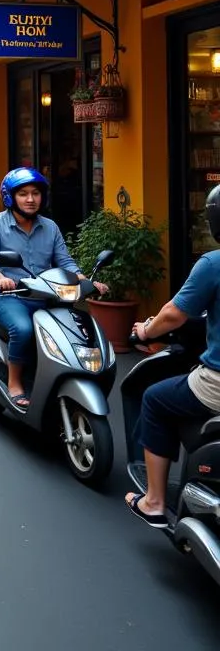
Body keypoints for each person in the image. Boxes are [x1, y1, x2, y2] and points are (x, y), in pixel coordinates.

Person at [124, 183, 220, 527]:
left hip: (217, 384)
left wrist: (146, 331)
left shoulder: (212, 264)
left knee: (155, 399)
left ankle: (153, 500)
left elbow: (173, 315)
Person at [0, 168, 108, 409]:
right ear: (10, 197)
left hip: (48, 296)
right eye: (23, 194)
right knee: (24, 330)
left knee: (76, 329)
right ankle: (15, 382)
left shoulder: (50, 227)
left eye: (35, 193)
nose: (30, 199)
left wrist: (86, 281)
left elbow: (65, 262)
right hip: (9, 297)